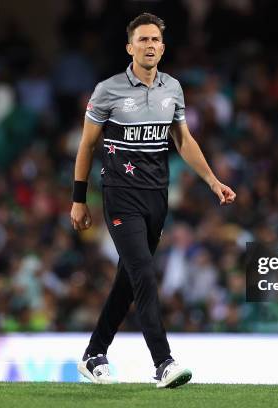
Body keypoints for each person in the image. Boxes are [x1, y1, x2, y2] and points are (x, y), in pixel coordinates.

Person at [70, 13, 236, 388]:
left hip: (156, 199)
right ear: (130, 47)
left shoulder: (172, 89)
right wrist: (79, 200)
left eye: (155, 40)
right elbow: (87, 145)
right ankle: (163, 362)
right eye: (142, 39)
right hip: (120, 196)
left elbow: (183, 141)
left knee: (129, 280)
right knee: (143, 272)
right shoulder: (108, 90)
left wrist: (212, 181)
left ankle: (94, 353)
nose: (149, 45)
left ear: (162, 47)